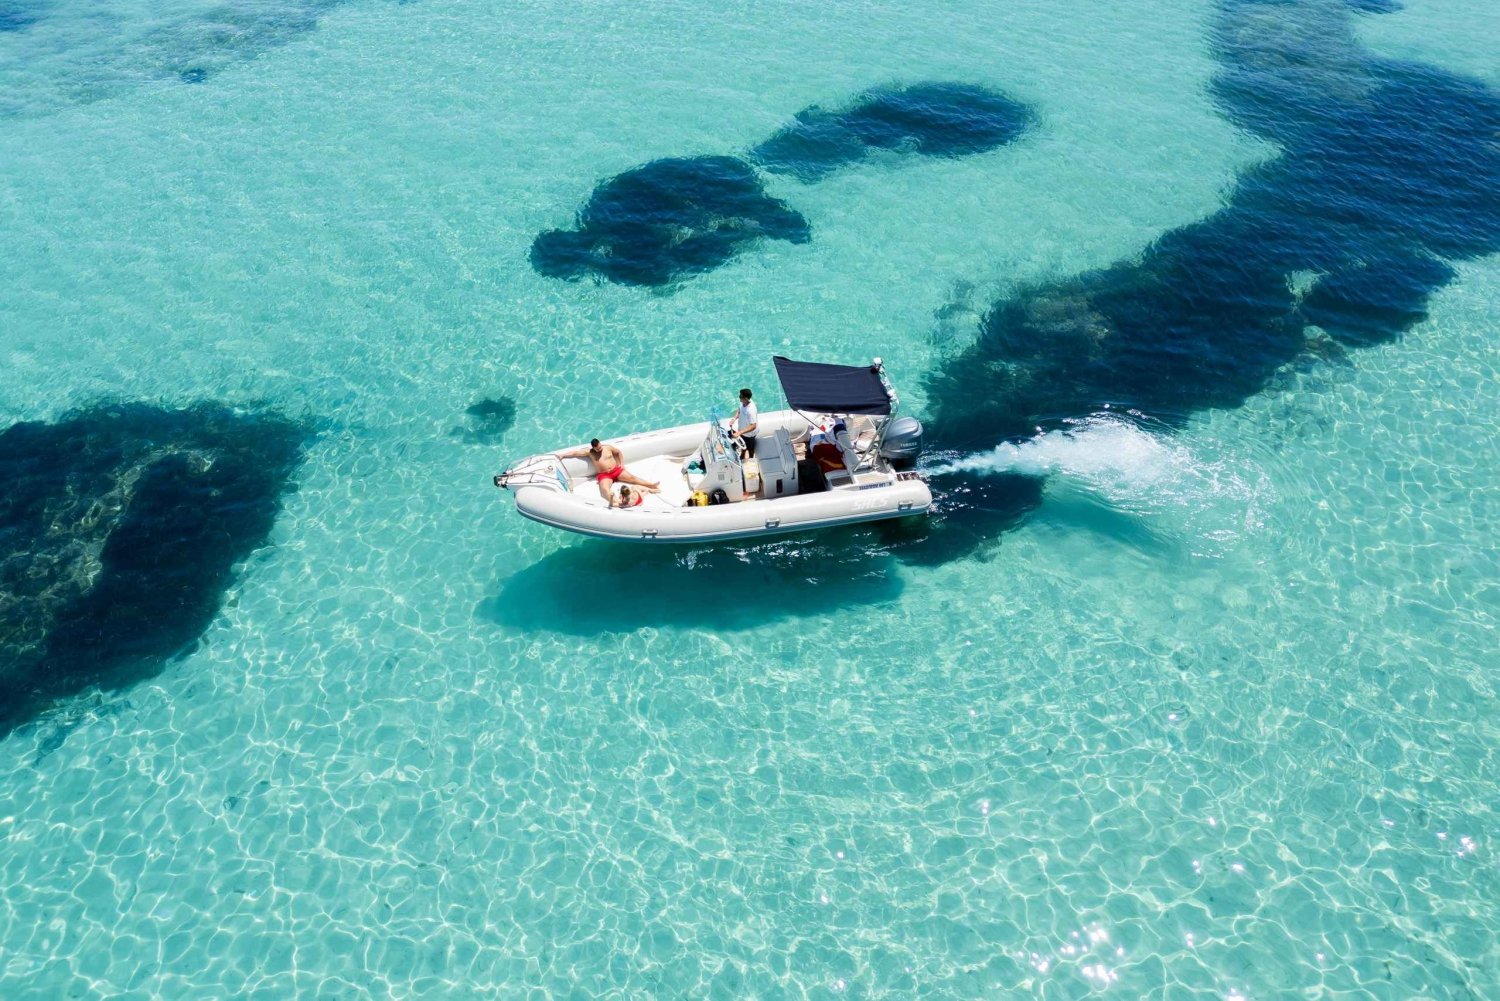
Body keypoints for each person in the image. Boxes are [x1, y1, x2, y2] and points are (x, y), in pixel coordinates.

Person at [559, 438, 660, 503]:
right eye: (597, 449)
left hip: (616, 470)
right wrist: (563, 455)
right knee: (603, 488)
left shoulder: (608, 448)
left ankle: (651, 485)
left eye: (600, 446)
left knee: (632, 478)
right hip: (604, 475)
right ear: (593, 448)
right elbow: (575, 453)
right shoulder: (589, 452)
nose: (600, 449)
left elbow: (618, 452)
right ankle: (615, 501)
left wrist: (621, 464)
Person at [731, 388, 759, 458]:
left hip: (750, 435)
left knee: (750, 449)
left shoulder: (751, 410)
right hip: (742, 432)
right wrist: (734, 418)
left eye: (740, 396)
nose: (739, 397)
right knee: (743, 446)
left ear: (746, 398)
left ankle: (751, 459)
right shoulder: (743, 402)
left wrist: (739, 433)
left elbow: (753, 426)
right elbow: (739, 410)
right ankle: (742, 455)